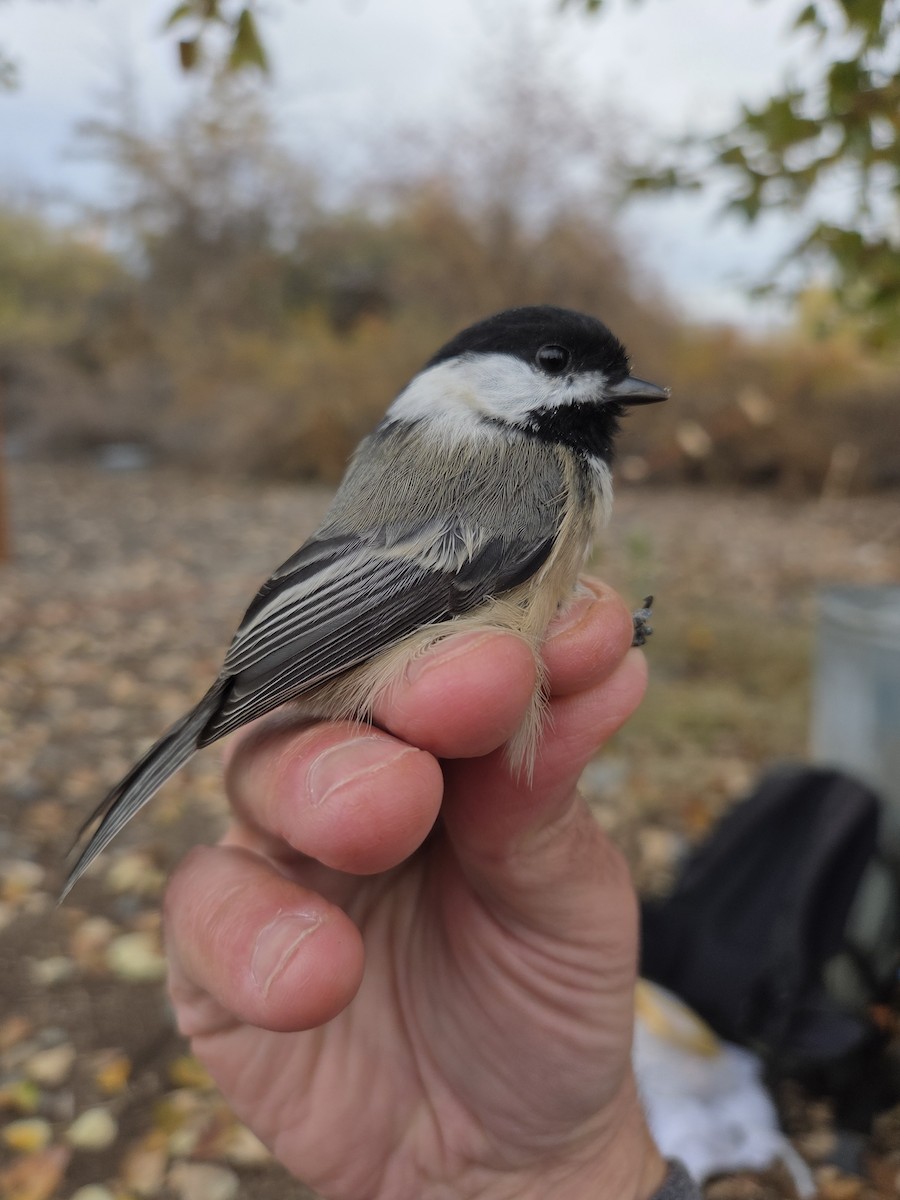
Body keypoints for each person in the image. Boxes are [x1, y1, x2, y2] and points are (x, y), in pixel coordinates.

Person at [163, 579, 698, 1200]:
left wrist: (576, 1171)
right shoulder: (540, 486)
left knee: (456, 709)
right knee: (387, 780)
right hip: (347, 663)